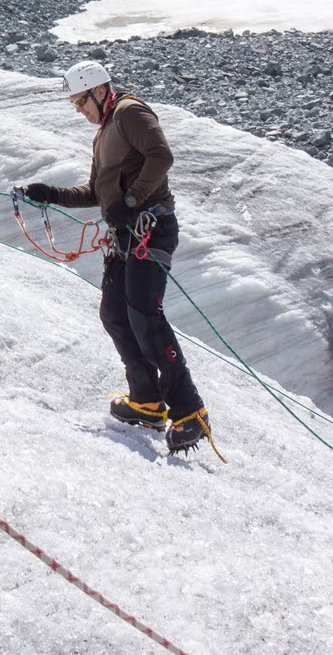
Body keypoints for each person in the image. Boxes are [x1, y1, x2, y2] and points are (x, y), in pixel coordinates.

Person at [15, 60, 212, 456]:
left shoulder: (129, 113)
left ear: (99, 91)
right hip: (127, 233)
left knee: (145, 316)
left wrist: (134, 200)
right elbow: (96, 192)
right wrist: (50, 193)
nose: (78, 110)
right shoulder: (105, 129)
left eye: (79, 101)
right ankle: (147, 400)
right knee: (115, 314)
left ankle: (190, 411)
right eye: (74, 104)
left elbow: (161, 156)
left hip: (151, 228)